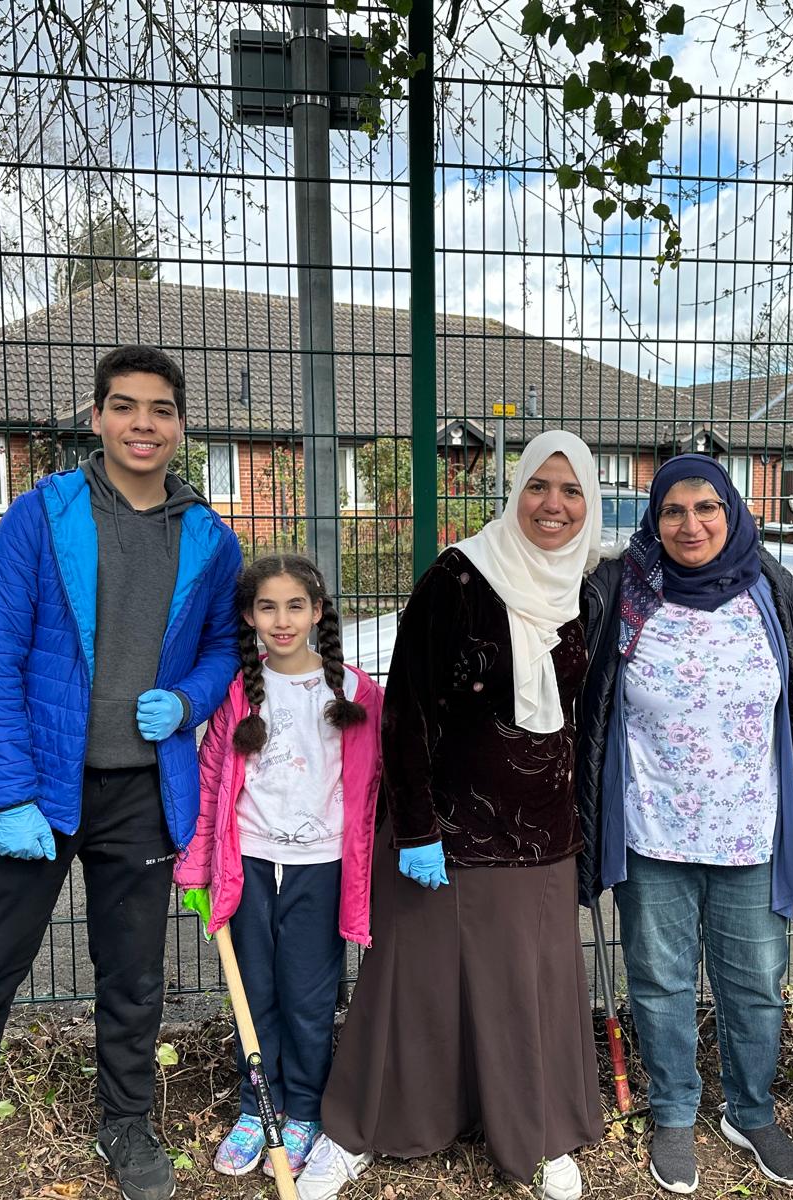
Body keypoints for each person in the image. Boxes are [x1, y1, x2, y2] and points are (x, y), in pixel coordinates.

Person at [0, 346, 243, 1200]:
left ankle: (127, 1122)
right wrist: (6, 794)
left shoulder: (210, 539)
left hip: (144, 792)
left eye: (159, 409)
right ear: (96, 417)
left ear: (181, 425)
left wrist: (188, 700)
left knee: (134, 971)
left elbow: (226, 646)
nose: (141, 424)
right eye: (124, 406)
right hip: (38, 789)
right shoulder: (41, 516)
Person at [295, 431, 605, 1200]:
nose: (554, 506)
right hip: (446, 828)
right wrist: (420, 825)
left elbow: (586, 720)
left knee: (525, 986)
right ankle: (357, 1128)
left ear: (590, 503)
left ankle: (532, 1130)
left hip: (541, 830)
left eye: (571, 492)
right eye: (539, 486)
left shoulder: (590, 590)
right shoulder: (458, 577)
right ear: (515, 491)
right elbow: (404, 711)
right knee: (413, 983)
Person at [577, 454, 793, 1194]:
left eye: (707, 507)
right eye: (673, 511)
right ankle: (677, 1110)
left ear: (734, 513)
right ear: (654, 519)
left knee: (755, 980)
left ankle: (749, 1111)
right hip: (652, 828)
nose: (691, 524)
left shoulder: (775, 593)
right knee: (660, 979)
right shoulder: (621, 591)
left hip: (752, 828)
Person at [174, 553, 384, 1178]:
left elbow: (378, 793)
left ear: (319, 612)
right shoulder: (238, 692)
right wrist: (195, 869)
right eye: (268, 606)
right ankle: (254, 1108)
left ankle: (303, 1112)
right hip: (249, 866)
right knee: (254, 992)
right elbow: (213, 779)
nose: (283, 619)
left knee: (309, 999)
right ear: (249, 616)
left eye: (296, 606)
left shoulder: (360, 693)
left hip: (321, 868)